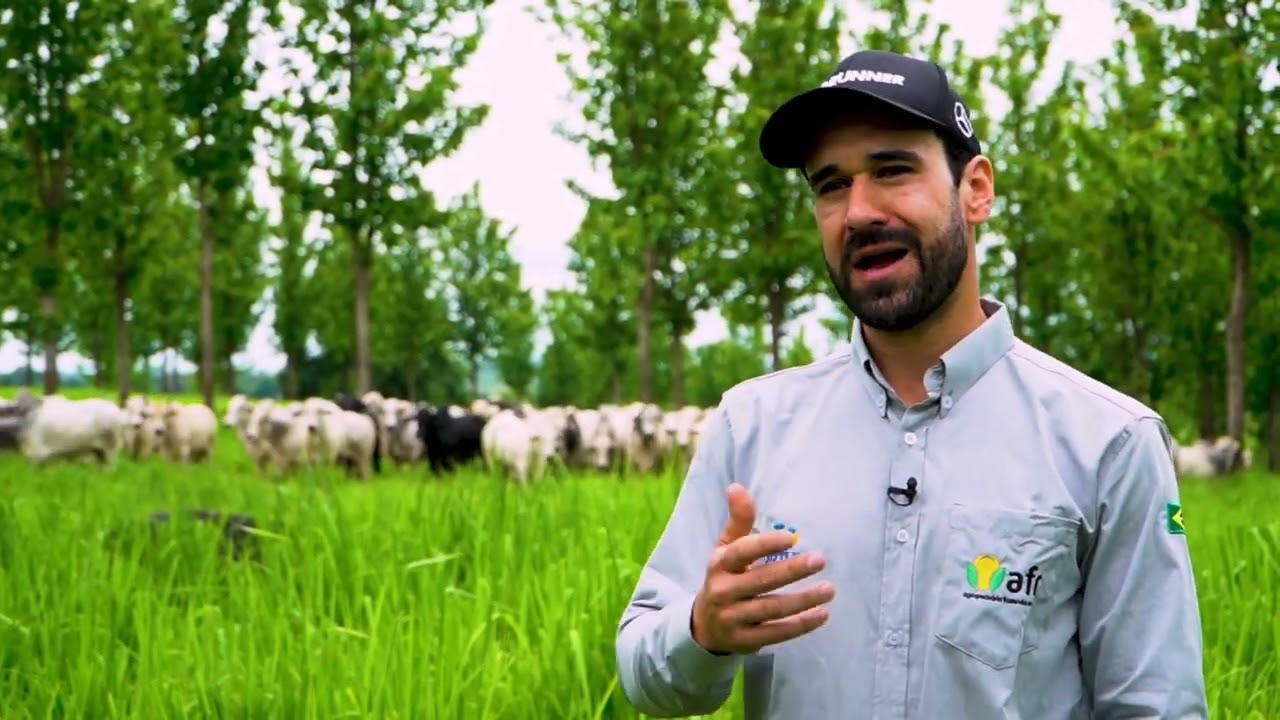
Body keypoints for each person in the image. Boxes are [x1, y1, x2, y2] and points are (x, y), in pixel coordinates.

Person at [614, 49, 1209, 719]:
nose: (857, 211)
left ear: (976, 189)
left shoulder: (1110, 442)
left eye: (892, 170)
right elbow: (645, 674)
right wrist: (703, 630)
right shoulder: (750, 425)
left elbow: (1157, 706)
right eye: (830, 185)